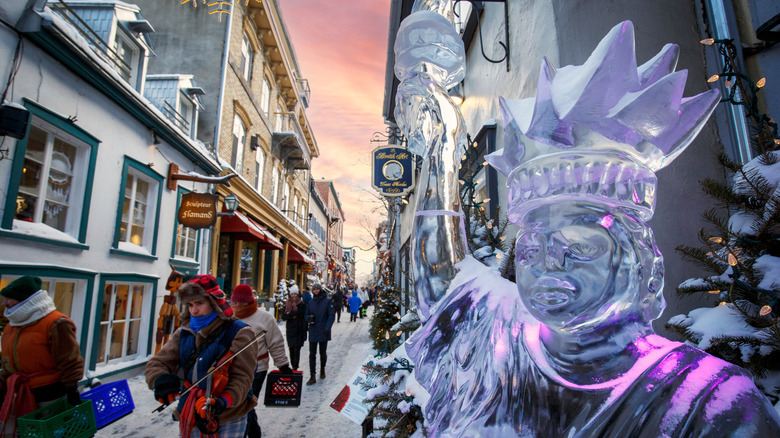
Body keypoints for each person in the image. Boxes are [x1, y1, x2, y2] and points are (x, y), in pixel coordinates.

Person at [402, 19, 780, 436]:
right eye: (529, 249)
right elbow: (441, 283)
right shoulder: (502, 340)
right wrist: (444, 146)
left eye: (579, 247)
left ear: (646, 269)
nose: (548, 262)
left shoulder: (706, 400)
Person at [145, 274, 258, 437]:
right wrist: (159, 379)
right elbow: (158, 363)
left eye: (200, 303)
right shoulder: (184, 332)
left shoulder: (240, 333)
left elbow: (243, 378)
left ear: (213, 302)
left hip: (228, 416)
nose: (194, 310)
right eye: (190, 305)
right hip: (190, 411)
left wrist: (224, 401)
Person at [0, 276, 84, 437]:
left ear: (24, 299)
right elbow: (8, 363)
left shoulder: (56, 323)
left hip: (49, 395)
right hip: (17, 392)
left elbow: (70, 360)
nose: (5, 303)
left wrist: (72, 389)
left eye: (9, 298)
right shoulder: (12, 326)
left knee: (49, 433)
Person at [229, 284, 292, 438]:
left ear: (249, 302)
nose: (237, 307)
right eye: (235, 303)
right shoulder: (228, 318)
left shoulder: (264, 318)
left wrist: (282, 364)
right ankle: (251, 431)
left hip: (257, 368)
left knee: (246, 403)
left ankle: (249, 433)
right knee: (239, 403)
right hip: (232, 368)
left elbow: (275, 342)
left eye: (241, 303)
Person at [304, 283, 334, 385]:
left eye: (317, 289)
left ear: (320, 290)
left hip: (323, 330)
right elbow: (306, 314)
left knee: (322, 352)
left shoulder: (327, 301)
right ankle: (312, 375)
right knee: (312, 354)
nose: (316, 291)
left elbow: (331, 315)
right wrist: (308, 318)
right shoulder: (310, 302)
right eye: (314, 289)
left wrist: (327, 327)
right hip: (313, 329)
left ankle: (322, 369)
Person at [281, 292, 308, 371]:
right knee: (291, 349)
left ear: (298, 295)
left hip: (299, 330)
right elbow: (283, 317)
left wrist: (305, 331)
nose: (293, 296)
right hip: (290, 330)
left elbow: (304, 318)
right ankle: (293, 365)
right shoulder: (287, 304)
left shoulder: (302, 305)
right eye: (292, 294)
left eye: (295, 294)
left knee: (297, 349)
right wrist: (291, 314)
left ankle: (295, 367)